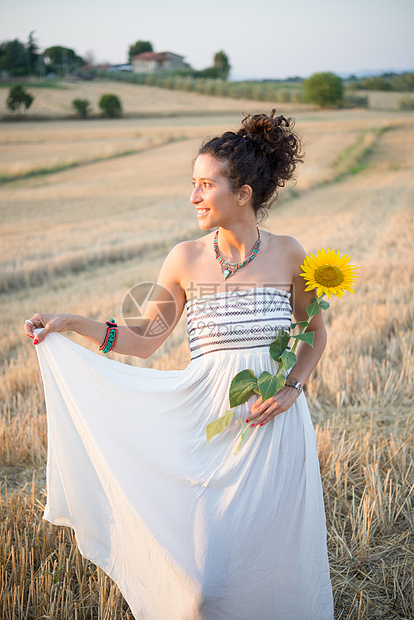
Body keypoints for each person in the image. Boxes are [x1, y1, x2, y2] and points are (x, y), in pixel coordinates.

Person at [25, 110, 334, 619]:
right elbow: (144, 340)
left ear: (244, 193)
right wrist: (71, 323)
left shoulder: (289, 254)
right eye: (192, 183)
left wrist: (293, 387)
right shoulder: (185, 259)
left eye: (205, 184)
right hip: (210, 428)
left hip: (275, 428)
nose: (193, 196)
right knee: (204, 583)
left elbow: (316, 334)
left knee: (273, 563)